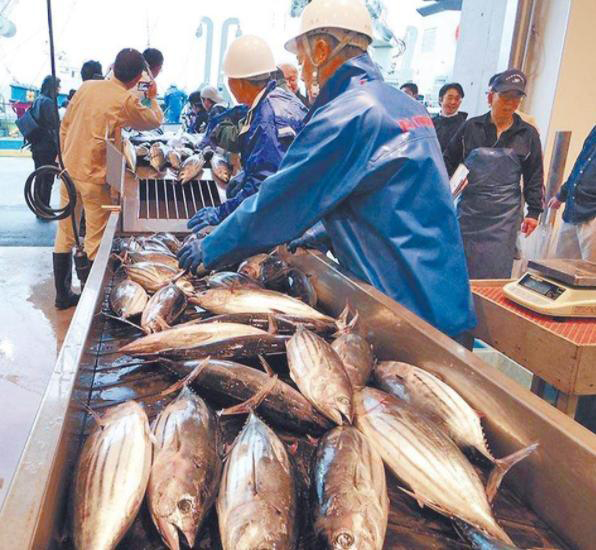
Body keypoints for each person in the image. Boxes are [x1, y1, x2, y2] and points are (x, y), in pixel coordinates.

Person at [179, 0, 476, 339]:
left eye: (303, 58)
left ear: (321, 50)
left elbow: (279, 203)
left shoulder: (347, 114)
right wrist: (325, 227)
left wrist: (212, 247)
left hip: (406, 314)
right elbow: (390, 197)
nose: (302, 68)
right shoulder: (405, 105)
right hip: (449, 304)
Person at [53, 48, 163, 309]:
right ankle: (90, 303)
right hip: (93, 178)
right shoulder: (124, 100)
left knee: (65, 232)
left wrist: (63, 159)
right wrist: (151, 97)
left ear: (113, 67)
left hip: (68, 170)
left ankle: (62, 295)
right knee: (95, 241)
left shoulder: (87, 87)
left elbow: (65, 126)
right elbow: (154, 120)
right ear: (137, 77)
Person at [187, 34, 308, 230]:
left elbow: (264, 189)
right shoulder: (278, 99)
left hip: (288, 218)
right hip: (295, 204)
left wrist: (222, 212)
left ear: (238, 83)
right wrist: (247, 175)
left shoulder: (268, 118)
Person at [443, 69, 544, 279]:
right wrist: (441, 195)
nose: (510, 104)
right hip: (470, 215)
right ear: (491, 97)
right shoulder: (471, 127)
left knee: (495, 274)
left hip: (504, 220)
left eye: (516, 98)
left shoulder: (528, 134)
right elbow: (448, 162)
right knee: (458, 271)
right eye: (505, 97)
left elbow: (534, 174)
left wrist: (534, 212)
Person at [549, 125, 596, 261]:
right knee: (561, 266)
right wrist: (563, 194)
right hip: (572, 210)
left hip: (592, 215)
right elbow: (580, 164)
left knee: (589, 271)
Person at [29, 75, 60, 211]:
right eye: (57, 87)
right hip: (47, 146)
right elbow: (54, 125)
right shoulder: (48, 103)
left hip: (37, 145)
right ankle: (45, 207)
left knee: (39, 177)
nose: (58, 90)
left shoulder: (38, 100)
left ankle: (39, 206)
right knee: (48, 178)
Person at [432, 82, 467, 151]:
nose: (453, 102)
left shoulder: (465, 127)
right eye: (450, 98)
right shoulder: (430, 124)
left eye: (457, 99)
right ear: (440, 99)